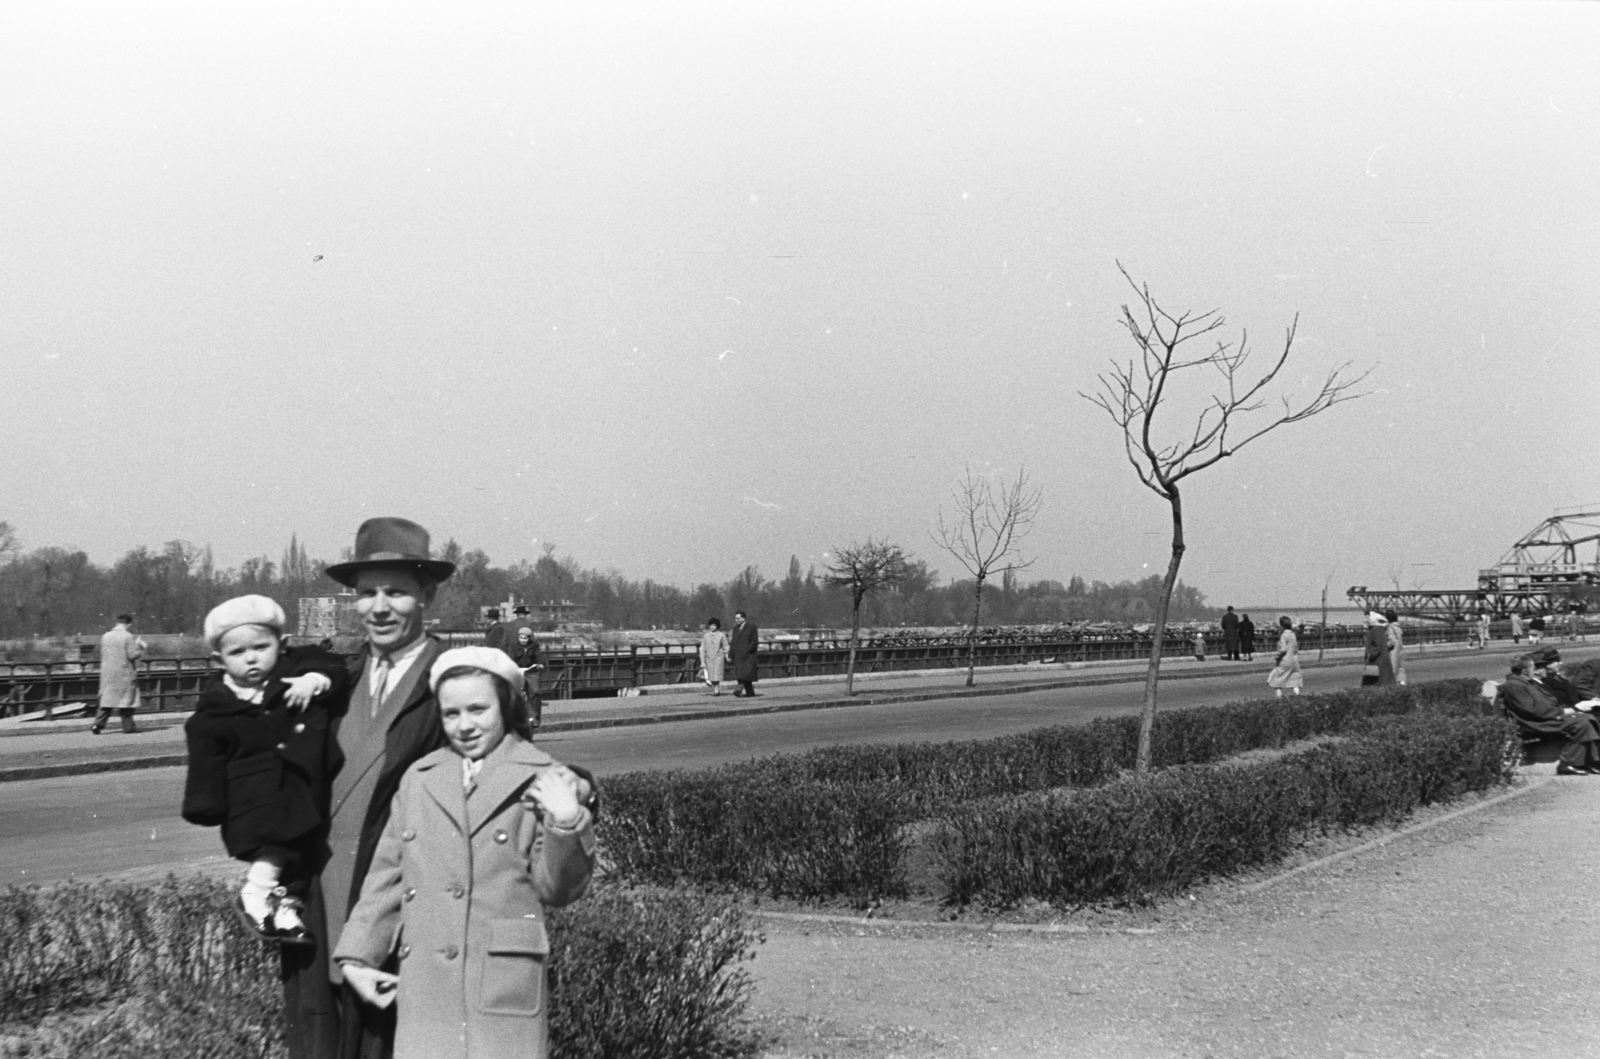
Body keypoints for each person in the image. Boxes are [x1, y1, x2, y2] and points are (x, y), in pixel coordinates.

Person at [334, 647, 595, 1059]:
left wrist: (565, 822)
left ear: (507, 707)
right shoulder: (419, 779)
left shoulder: (541, 776)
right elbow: (389, 873)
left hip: (501, 981)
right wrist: (358, 956)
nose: (465, 725)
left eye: (478, 709)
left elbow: (558, 889)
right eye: (451, 713)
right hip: (425, 984)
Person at [279, 516, 457, 1059]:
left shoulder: (455, 679)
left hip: (405, 910)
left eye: (396, 592)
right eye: (366, 593)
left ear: (426, 595)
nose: (379, 607)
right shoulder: (336, 680)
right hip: (323, 905)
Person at [181, 595, 348, 944]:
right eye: (237, 653)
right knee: (283, 839)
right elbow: (206, 758)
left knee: (299, 850)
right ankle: (255, 891)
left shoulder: (291, 673)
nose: (252, 658)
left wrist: (314, 680)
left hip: (297, 789)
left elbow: (331, 664)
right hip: (252, 797)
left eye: (261, 647)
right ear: (219, 660)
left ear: (282, 645)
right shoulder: (216, 710)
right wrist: (205, 803)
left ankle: (286, 908)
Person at [1496, 653, 1600, 775]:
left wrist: (1568, 710)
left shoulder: (1524, 683)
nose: (1534, 671)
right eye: (1533, 668)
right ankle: (1569, 763)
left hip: (1544, 718)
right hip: (1534, 724)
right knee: (1581, 722)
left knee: (1589, 718)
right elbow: (1532, 711)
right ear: (1525, 671)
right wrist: (1568, 711)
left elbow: (1544, 705)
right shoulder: (1514, 685)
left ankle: (1591, 760)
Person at [92, 613, 147, 734]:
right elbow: (132, 655)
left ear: (117, 623)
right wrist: (140, 647)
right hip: (124, 673)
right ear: (128, 624)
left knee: (106, 701)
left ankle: (97, 725)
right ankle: (128, 727)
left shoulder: (106, 636)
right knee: (126, 701)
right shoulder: (128, 636)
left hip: (108, 673)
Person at [511, 627, 544, 729]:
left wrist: (540, 664)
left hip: (531, 671)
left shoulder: (534, 646)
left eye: (525, 638)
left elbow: (539, 656)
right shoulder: (514, 647)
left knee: (536, 692)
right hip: (518, 671)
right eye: (521, 638)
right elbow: (511, 658)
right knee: (513, 693)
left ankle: (536, 718)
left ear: (530, 638)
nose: (523, 640)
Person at [1267, 615, 1303, 697]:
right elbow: (1296, 647)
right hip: (1294, 660)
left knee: (1277, 682)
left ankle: (1279, 699)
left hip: (1285, 660)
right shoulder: (1293, 634)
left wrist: (1277, 657)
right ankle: (1298, 696)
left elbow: (1283, 649)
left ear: (1282, 626)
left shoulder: (1284, 635)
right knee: (1294, 680)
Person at [1360, 611, 1396, 687]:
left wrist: (1371, 654)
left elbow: (1377, 644)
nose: (1366, 619)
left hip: (1376, 660)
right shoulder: (1380, 629)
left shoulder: (1374, 629)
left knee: (1373, 681)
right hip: (1381, 658)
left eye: (1368, 617)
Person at [730, 611, 759, 697]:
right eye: (735, 618)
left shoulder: (751, 627)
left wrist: (746, 650)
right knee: (743, 673)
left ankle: (739, 689)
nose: (736, 620)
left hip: (748, 655)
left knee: (745, 673)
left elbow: (754, 641)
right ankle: (750, 692)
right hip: (738, 655)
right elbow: (733, 642)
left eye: (738, 618)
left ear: (743, 618)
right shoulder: (735, 629)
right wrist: (730, 655)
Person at [700, 617, 730, 696]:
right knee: (710, 674)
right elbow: (702, 647)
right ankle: (714, 687)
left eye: (714, 625)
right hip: (709, 657)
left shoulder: (721, 635)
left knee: (717, 674)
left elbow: (725, 646)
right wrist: (702, 659)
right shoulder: (706, 636)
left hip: (718, 657)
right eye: (711, 625)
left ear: (717, 626)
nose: (712, 627)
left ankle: (716, 688)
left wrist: (727, 655)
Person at [1384, 608, 1407, 686]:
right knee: (1400, 667)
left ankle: (1391, 685)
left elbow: (1391, 641)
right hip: (1400, 650)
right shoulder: (1398, 627)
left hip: (1393, 651)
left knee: (1392, 669)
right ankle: (1402, 682)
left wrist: (1384, 646)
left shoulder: (1390, 627)